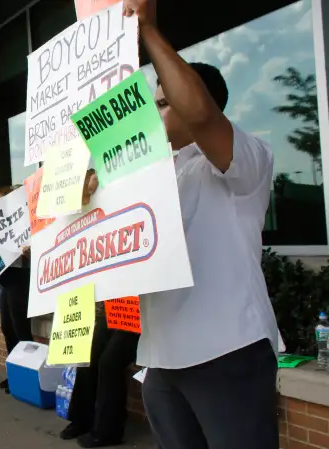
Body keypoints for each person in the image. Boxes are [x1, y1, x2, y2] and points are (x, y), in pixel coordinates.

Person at [81, 2, 278, 448]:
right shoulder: (146, 176)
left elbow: (202, 116)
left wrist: (147, 30)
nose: (153, 115)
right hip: (160, 362)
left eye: (165, 103)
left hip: (227, 353)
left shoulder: (244, 157)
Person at [60, 313, 139, 447]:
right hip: (115, 307)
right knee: (88, 356)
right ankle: (82, 419)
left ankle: (109, 430)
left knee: (109, 362)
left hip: (139, 316)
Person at [0, 185, 32, 394]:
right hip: (6, 279)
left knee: (20, 328)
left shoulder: (22, 222)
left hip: (20, 277)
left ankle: (27, 374)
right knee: (8, 328)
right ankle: (14, 373)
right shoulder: (1, 225)